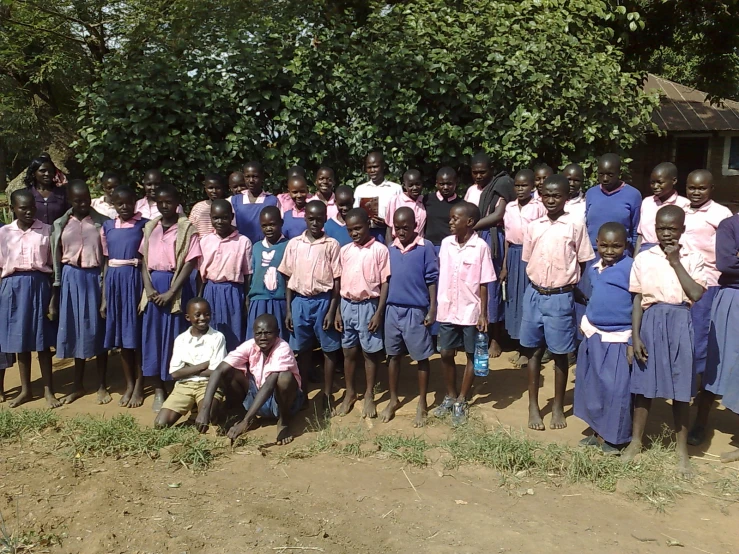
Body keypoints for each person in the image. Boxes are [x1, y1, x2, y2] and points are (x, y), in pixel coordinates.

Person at [624, 205, 705, 477]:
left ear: (682, 229)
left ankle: (682, 453)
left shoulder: (693, 257)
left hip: (681, 322)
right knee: (643, 387)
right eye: (661, 228)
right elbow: (637, 299)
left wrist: (675, 261)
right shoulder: (644, 258)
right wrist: (634, 336)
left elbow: (695, 292)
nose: (666, 233)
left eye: (672, 228)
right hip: (651, 320)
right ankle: (636, 442)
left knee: (681, 389)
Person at [520, 174, 595, 431]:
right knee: (534, 351)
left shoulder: (575, 225)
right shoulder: (533, 226)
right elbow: (528, 260)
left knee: (560, 353)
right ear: (540, 196)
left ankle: (557, 407)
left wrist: (569, 286)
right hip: (534, 294)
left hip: (560, 297)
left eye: (557, 195)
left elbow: (583, 261)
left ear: (566, 197)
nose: (551, 200)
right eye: (547, 195)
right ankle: (533, 406)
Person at [194, 314, 304, 444]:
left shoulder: (282, 348)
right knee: (229, 371)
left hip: (280, 400)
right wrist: (204, 410)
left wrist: (245, 422)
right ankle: (244, 415)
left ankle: (284, 421)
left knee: (284, 377)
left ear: (277, 333)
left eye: (268, 333)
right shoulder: (250, 345)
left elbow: (269, 384)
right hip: (258, 394)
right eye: (259, 333)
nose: (263, 337)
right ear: (253, 333)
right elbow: (218, 370)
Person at [140, 185, 201, 413]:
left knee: (175, 338)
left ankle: (177, 387)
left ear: (177, 203)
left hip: (175, 290)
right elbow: (143, 262)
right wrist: (148, 288)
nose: (164, 206)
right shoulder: (150, 227)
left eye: (169, 201)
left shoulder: (187, 229)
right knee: (153, 338)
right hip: (153, 289)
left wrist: (171, 292)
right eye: (160, 202)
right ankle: (158, 389)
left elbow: (189, 263)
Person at [433, 202, 496, 426]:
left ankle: (462, 399)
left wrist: (483, 314)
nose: (450, 222)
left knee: (470, 354)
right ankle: (450, 395)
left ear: (469, 222)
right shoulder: (446, 244)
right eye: (450, 218)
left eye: (455, 219)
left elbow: (484, 282)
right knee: (446, 353)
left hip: (470, 309)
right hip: (448, 308)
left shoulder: (480, 247)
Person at [574, 223, 635, 453]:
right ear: (597, 243)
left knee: (616, 389)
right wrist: (586, 321)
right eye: (604, 245)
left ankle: (615, 438)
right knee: (594, 385)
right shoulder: (594, 268)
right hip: (594, 334)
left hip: (619, 337)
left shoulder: (630, 268)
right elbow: (593, 298)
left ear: (625, 245)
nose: (609, 251)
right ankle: (597, 431)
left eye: (616, 246)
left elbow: (638, 304)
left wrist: (632, 341)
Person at [278, 200, 342, 412]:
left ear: (325, 218)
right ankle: (302, 391)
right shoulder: (294, 244)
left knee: (328, 349)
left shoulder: (331, 245)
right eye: (311, 218)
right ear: (305, 218)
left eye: (319, 218)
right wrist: (289, 309)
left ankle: (326, 394)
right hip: (300, 302)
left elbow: (337, 280)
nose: (315, 222)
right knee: (303, 350)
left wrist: (333, 310)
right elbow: (287, 277)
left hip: (324, 301)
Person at [51, 180, 110, 405]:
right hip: (70, 277)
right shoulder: (60, 224)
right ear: (69, 200)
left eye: (85, 199)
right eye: (77, 200)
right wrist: (55, 292)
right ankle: (78, 384)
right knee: (76, 330)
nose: (82, 203)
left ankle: (102, 384)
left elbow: (106, 256)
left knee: (98, 329)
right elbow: (56, 257)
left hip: (95, 278)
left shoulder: (103, 223)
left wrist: (105, 285)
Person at [0, 190, 59, 408]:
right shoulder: (4, 233)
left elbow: (53, 266)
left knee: (42, 341)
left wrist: (52, 298)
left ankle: (48, 390)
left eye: (31, 207)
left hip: (39, 285)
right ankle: (26, 390)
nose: (28, 211)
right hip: (12, 288)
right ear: (12, 209)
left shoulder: (46, 231)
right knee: (20, 341)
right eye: (23, 208)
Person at [689, 211, 739, 461]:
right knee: (717, 362)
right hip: (732, 298)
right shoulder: (730, 225)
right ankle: (700, 422)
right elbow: (726, 263)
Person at [382, 207, 438, 427]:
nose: (402, 232)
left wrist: (432, 308)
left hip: (416, 311)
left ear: (416, 226)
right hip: (392, 310)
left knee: (421, 357)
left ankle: (423, 402)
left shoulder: (426, 247)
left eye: (406, 227)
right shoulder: (390, 249)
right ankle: (393, 398)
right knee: (393, 356)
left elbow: (432, 279)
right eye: (397, 228)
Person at [334, 208, 390, 418]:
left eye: (358, 228)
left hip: (369, 306)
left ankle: (369, 395)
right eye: (350, 230)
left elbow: (385, 283)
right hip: (347, 304)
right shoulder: (345, 250)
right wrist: (339, 310)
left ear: (368, 224)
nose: (354, 233)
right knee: (348, 352)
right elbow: (339, 282)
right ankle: (350, 393)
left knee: (369, 353)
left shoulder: (380, 250)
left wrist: (378, 313)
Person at [681, 170, 731, 380]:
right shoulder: (680, 209)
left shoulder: (721, 214)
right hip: (680, 278)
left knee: (700, 331)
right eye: (692, 188)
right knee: (683, 329)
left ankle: (698, 379)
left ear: (712, 189)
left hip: (707, 281)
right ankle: (681, 374)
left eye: (702, 188)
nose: (696, 192)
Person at [100, 185, 147, 408]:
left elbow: (147, 260)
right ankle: (129, 383)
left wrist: (145, 293)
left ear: (135, 203)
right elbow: (106, 263)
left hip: (135, 281)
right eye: (120, 204)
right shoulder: (107, 226)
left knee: (136, 337)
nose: (125, 207)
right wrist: (104, 298)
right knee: (123, 340)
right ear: (114, 206)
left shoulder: (144, 225)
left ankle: (140, 385)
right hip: (115, 284)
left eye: (129, 203)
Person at [468, 152, 515, 358]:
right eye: (475, 172)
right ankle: (477, 335)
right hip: (472, 239)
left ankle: (495, 338)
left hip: (491, 240)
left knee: (493, 287)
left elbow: (498, 215)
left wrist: (469, 227)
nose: (479, 176)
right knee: (474, 287)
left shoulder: (500, 186)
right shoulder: (470, 191)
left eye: (482, 171)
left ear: (491, 170)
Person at [154, 298, 228, 428]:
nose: (202, 318)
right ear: (188, 317)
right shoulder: (181, 339)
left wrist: (188, 369)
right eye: (197, 314)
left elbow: (216, 372)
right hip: (184, 386)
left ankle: (201, 412)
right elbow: (175, 373)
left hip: (208, 385)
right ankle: (194, 410)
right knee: (160, 424)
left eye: (207, 314)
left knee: (208, 418)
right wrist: (203, 365)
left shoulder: (217, 337)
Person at [500, 169, 546, 368]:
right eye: (517, 186)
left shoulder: (539, 207)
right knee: (515, 302)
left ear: (532, 187)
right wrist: (504, 265)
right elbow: (508, 240)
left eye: (524, 185)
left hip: (531, 256)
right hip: (513, 256)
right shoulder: (509, 207)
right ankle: (520, 346)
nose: (520, 189)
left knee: (529, 303)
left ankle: (531, 350)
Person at [198, 200, 253, 351]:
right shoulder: (205, 241)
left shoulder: (243, 241)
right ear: (210, 218)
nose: (220, 221)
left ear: (231, 217)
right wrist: (200, 297)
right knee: (210, 333)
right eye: (215, 218)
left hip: (233, 292)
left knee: (233, 334)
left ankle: (233, 370)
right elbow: (200, 275)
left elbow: (248, 274)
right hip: (211, 290)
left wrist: (246, 299)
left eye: (224, 217)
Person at [584, 153, 641, 253]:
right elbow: (586, 224)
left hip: (620, 254)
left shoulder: (633, 195)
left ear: (619, 173)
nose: (605, 179)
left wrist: (633, 256)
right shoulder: (591, 193)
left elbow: (636, 229)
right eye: (601, 174)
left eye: (610, 175)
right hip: (592, 253)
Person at [248, 206, 290, 341]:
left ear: (281, 223)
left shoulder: (289, 245)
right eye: (264, 225)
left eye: (272, 224)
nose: (269, 229)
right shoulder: (256, 247)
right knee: (258, 339)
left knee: (279, 339)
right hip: (258, 301)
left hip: (279, 301)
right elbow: (251, 275)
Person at [635, 162, 690, 253]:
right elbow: (640, 236)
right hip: (645, 252)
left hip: (671, 252)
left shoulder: (684, 204)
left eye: (660, 182)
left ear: (674, 181)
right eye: (652, 183)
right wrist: (635, 259)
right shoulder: (647, 202)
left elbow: (686, 236)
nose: (655, 186)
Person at [230, 161, 280, 244]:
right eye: (247, 177)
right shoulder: (235, 201)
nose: (251, 180)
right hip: (241, 247)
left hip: (265, 248)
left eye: (255, 176)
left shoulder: (272, 200)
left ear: (262, 177)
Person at [353, 150, 402, 228]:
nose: (372, 170)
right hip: (366, 233)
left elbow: (401, 214)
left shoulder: (395, 189)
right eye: (369, 167)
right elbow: (355, 213)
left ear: (383, 166)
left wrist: (386, 223)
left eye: (375, 167)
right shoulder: (360, 190)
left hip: (388, 233)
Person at [423, 167, 463, 253]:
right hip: (429, 246)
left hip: (451, 247)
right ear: (436, 184)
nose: (445, 187)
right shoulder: (426, 200)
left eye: (449, 184)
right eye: (442, 184)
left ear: (456, 183)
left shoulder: (462, 205)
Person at [23, 156, 68, 225]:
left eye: (50, 171)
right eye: (42, 171)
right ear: (33, 173)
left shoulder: (63, 194)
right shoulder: (25, 195)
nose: (47, 174)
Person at [384, 169, 426, 242]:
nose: (415, 188)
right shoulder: (396, 200)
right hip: (399, 243)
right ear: (404, 185)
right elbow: (389, 228)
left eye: (418, 184)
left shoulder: (424, 200)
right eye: (410, 185)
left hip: (419, 244)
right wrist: (390, 248)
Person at [189, 173, 227, 238]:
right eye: (210, 188)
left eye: (218, 188)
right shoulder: (198, 207)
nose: (214, 191)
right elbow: (191, 229)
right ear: (205, 189)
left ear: (223, 188)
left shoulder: (227, 206)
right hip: (201, 245)